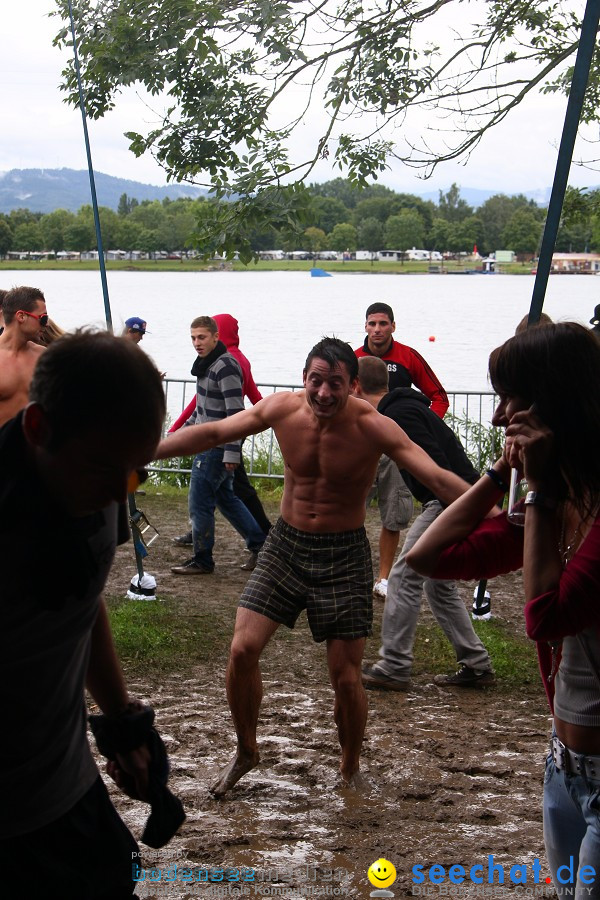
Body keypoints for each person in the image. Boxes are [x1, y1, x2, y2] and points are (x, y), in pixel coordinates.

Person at [155, 337, 473, 794]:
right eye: (316, 381)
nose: (324, 393)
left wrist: (496, 509)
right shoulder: (282, 409)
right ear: (304, 378)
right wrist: (147, 449)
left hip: (343, 554)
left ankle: (349, 766)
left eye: (336, 384)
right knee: (242, 650)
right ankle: (246, 749)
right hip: (286, 545)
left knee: (345, 677)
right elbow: (212, 432)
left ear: (354, 385)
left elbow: (434, 475)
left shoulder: (373, 425)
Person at [406, 322, 600, 899]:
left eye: (508, 399)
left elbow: (545, 616)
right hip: (564, 767)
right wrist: (498, 475)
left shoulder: (567, 507)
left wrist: (534, 487)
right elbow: (427, 556)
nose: (495, 418)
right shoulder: (560, 504)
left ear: (553, 405)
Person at [0, 330, 173, 899]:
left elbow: (83, 596)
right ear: (37, 428)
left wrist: (121, 721)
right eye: (107, 470)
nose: (118, 493)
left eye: (136, 472)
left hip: (65, 788)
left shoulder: (104, 479)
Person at [355, 357, 494, 691]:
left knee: (404, 573)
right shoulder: (398, 410)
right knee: (437, 583)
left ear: (355, 387)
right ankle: (476, 664)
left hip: (450, 501)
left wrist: (456, 514)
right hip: (455, 500)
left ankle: (394, 665)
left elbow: (438, 466)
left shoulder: (399, 414)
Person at [355, 302, 449, 599]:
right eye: (372, 324)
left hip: (396, 449)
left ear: (393, 326)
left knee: (392, 515)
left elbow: (439, 397)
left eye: (383, 324)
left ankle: (383, 579)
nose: (378, 330)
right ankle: (351, 573)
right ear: (365, 327)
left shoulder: (408, 356)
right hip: (361, 447)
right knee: (350, 507)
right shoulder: (353, 358)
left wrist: (421, 432)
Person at [168, 315, 267, 575]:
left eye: (201, 337)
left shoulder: (225, 366)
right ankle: (262, 545)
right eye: (193, 338)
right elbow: (202, 411)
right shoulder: (206, 364)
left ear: (215, 337)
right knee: (227, 500)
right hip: (210, 444)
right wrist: (177, 435)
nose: (197, 343)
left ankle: (203, 559)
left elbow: (237, 414)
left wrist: (232, 451)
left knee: (199, 502)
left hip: (217, 447)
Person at [0, 285, 47, 426]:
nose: (47, 324)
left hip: (36, 446)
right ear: (21, 316)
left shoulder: (43, 357)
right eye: (43, 318)